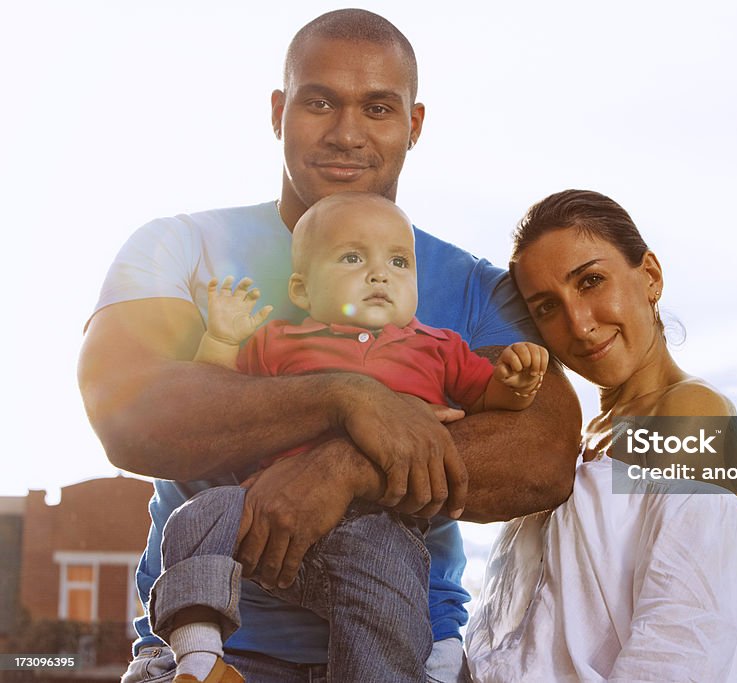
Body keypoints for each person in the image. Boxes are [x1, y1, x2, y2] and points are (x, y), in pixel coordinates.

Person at [77, 10, 581, 683]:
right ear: (280, 110)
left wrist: (350, 466)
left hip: (402, 656)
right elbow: (128, 410)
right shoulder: (179, 247)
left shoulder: (473, 287)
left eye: (378, 108)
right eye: (319, 102)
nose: (347, 133)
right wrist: (346, 397)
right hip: (210, 660)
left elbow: (545, 449)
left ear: (414, 124)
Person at [154, 192, 550, 683]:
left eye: (399, 262)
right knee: (195, 516)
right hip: (264, 514)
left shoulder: (438, 347)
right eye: (352, 258)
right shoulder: (278, 340)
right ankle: (199, 659)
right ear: (302, 289)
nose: (379, 273)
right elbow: (213, 404)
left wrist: (513, 385)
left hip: (378, 527)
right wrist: (222, 338)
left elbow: (491, 405)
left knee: (385, 605)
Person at [465, 190, 737, 682]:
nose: (579, 323)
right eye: (548, 307)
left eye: (591, 281)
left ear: (651, 276)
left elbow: (685, 631)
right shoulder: (579, 439)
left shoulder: (688, 410)